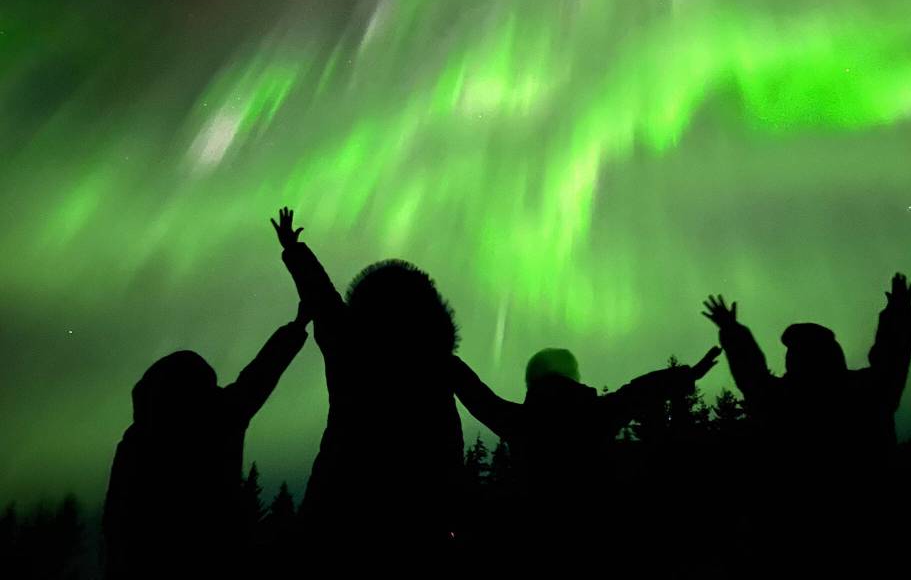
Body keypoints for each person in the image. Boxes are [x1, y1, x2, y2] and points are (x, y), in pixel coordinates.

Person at [271, 207, 464, 565]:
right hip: (420, 517)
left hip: (338, 506)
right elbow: (449, 443)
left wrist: (294, 250)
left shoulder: (349, 345)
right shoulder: (435, 363)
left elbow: (321, 296)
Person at [701, 272, 911, 573]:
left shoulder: (781, 399)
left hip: (791, 538)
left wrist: (731, 330)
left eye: (795, 353)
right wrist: (898, 314)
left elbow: (751, 373)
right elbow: (893, 360)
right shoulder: (866, 392)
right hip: (867, 532)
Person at [450, 343, 720, 564]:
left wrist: (446, 358)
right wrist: (688, 375)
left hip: (535, 547)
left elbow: (479, 398)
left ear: (532, 381)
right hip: (596, 545)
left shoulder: (520, 422)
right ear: (573, 377)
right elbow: (640, 392)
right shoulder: (597, 415)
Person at [103, 303, 310, 579]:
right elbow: (260, 374)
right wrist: (298, 325)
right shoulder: (220, 416)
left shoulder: (136, 440)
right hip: (214, 556)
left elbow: (115, 516)